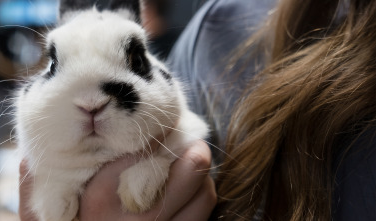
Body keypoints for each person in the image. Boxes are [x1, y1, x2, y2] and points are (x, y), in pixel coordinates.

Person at [20, 0, 376, 220]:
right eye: (56, 65)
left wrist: (158, 162)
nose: (91, 103)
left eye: (131, 58)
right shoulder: (215, 31)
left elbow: (188, 139)